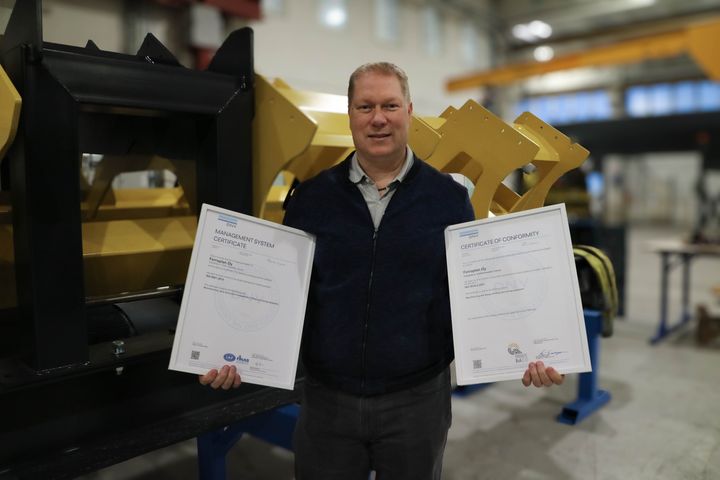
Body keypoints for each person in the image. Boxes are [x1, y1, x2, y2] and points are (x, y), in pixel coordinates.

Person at [200, 62, 564, 479]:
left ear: (408, 112)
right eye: (365, 106)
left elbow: (481, 290)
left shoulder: (449, 199)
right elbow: (278, 292)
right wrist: (233, 350)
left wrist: (532, 349)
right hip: (326, 403)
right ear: (350, 113)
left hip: (416, 402)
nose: (378, 118)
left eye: (390, 105)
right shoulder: (311, 198)